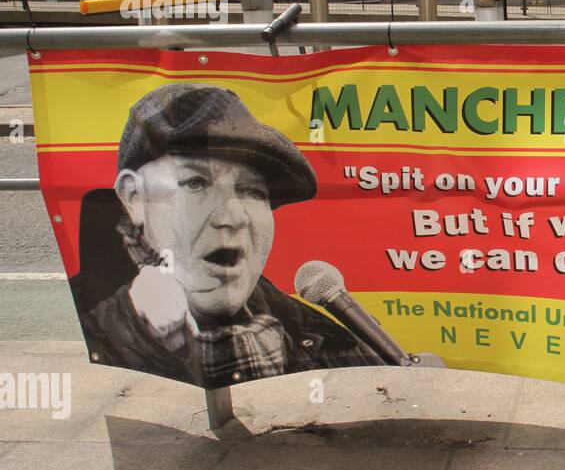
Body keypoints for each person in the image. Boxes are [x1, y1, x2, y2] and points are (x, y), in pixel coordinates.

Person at [76, 82, 411, 388]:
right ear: (135, 197)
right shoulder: (104, 332)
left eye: (252, 191)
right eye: (196, 183)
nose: (233, 217)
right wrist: (137, 326)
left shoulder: (310, 330)